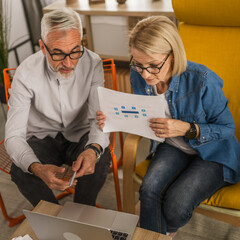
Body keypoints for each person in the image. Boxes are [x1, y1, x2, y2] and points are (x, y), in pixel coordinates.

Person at [97, 16, 240, 237]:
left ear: (172, 56)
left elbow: (227, 128)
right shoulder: (138, 75)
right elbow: (142, 115)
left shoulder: (203, 80)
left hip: (213, 154)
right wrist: (114, 117)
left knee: (175, 207)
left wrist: (186, 129)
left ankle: (160, 233)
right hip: (173, 147)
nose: (145, 74)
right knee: (149, 190)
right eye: (138, 64)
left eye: (153, 66)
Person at [5, 8, 111, 207]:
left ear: (81, 41)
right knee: (20, 170)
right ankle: (52, 213)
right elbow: (13, 136)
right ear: (43, 47)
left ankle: (82, 211)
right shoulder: (25, 73)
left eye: (75, 51)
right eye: (58, 53)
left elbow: (99, 118)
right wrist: (36, 168)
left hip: (80, 135)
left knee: (100, 159)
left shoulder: (93, 63)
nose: (69, 63)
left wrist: (93, 149)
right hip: (42, 138)